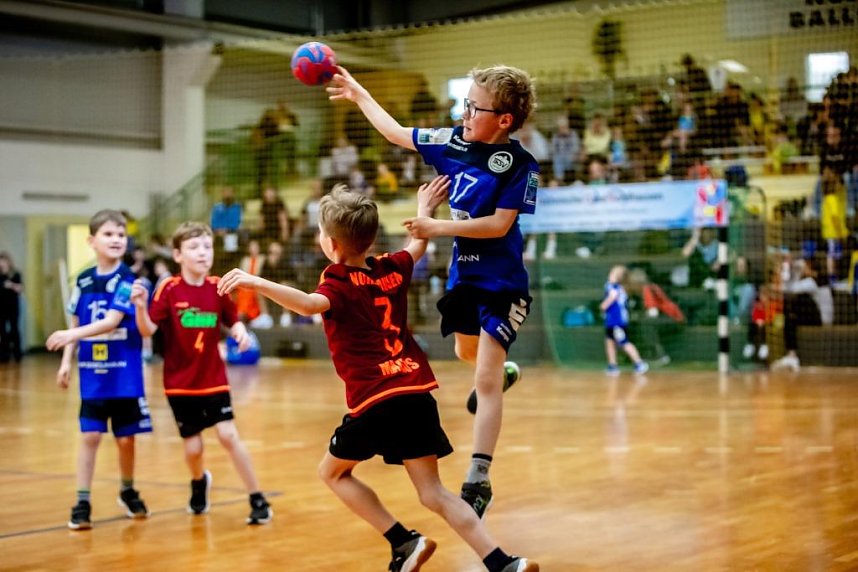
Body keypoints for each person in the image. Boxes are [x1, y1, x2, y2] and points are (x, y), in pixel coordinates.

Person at [217, 182, 539, 572]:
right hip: (415, 389)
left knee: (332, 473)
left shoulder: (336, 281)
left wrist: (255, 282)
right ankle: (503, 562)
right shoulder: (391, 268)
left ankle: (404, 541)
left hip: (376, 398)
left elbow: (307, 305)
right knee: (433, 492)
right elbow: (416, 247)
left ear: (331, 245)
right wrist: (424, 206)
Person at [328, 63, 539, 519]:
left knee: (483, 380)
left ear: (504, 119)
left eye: (474, 107)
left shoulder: (520, 166)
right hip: (465, 279)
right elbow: (397, 133)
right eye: (464, 103)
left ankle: (478, 477)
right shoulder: (452, 143)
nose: (464, 113)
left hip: (503, 285)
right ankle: (501, 374)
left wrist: (435, 226)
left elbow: (500, 224)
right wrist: (360, 92)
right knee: (469, 355)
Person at [129, 221, 272, 525]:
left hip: (213, 379)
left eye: (207, 246)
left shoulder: (217, 286)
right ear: (178, 255)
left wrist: (240, 333)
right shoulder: (168, 289)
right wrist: (140, 308)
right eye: (194, 247)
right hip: (180, 384)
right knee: (193, 448)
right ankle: (198, 481)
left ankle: (257, 497)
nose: (202, 252)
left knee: (228, 435)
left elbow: (232, 320)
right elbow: (148, 329)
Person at [44, 209, 151, 530]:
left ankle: (128, 489)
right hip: (94, 373)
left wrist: (68, 337)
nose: (116, 240)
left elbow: (111, 322)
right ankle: (82, 500)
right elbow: (76, 319)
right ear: (92, 241)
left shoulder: (128, 280)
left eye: (121, 235)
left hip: (124, 374)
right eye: (108, 234)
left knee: (126, 440)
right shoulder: (83, 279)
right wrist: (67, 361)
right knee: (90, 435)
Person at [770, 258, 833, 372]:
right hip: (817, 316)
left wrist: (794, 271)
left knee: (797, 300)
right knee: (790, 316)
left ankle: (792, 356)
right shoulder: (815, 281)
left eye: (806, 267)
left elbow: (789, 289)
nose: (803, 269)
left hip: (821, 318)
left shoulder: (812, 282)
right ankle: (791, 356)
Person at [600, 265, 649, 376]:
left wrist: (603, 305)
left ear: (618, 278)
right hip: (611, 321)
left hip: (617, 321)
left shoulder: (615, 289)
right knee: (609, 342)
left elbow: (609, 301)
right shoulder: (616, 288)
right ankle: (612, 366)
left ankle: (639, 363)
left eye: (612, 274)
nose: (609, 275)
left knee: (624, 342)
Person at [0, 251, 23, 363]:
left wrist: (11, 285)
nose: (2, 263)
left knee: (14, 330)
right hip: (1, 308)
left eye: (4, 261)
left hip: (13, 307)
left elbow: (20, 289)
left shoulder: (16, 274)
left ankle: (17, 354)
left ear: (8, 262)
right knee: (2, 332)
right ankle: (4, 355)